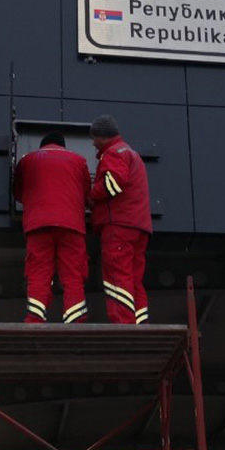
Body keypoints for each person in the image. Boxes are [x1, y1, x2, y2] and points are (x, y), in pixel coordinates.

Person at [13, 132, 91, 323]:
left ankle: (35, 321)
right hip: (72, 226)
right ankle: (75, 322)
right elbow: (86, 194)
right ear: (63, 146)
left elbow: (18, 193)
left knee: (39, 274)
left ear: (43, 145)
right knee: (73, 275)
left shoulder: (27, 160)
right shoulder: (79, 161)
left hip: (38, 226)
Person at [88, 115, 152, 324]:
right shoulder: (131, 153)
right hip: (138, 226)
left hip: (118, 226)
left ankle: (124, 325)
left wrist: (91, 195)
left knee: (117, 277)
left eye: (93, 138)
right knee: (134, 280)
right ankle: (141, 325)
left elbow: (114, 183)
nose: (93, 143)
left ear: (101, 136)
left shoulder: (113, 153)